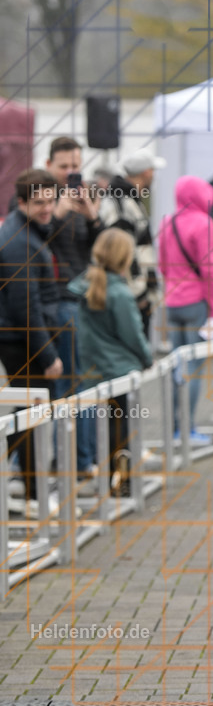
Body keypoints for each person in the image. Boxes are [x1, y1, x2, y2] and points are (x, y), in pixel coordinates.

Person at [67, 229, 153, 496]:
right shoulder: (121, 294)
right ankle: (123, 482)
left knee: (102, 429)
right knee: (122, 431)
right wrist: (147, 358)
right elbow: (132, 334)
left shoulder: (86, 286)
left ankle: (105, 481)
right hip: (120, 370)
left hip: (94, 368)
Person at [0, 170, 63, 511]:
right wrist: (49, 354)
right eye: (39, 202)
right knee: (32, 415)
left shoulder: (27, 233)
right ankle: (33, 496)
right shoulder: (20, 241)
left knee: (28, 415)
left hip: (20, 338)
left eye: (51, 201)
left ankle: (30, 491)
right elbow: (27, 306)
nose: (47, 209)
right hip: (21, 341)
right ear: (22, 201)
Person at [45, 136, 102, 481]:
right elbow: (28, 243)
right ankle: (65, 463)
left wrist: (91, 216)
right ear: (50, 165)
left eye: (75, 167)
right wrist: (58, 212)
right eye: (64, 166)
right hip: (53, 301)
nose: (70, 173)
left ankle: (81, 461)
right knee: (63, 385)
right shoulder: (39, 199)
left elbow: (102, 251)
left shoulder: (86, 197)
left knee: (82, 383)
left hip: (83, 300)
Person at [157, 176, 213, 444]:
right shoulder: (203, 223)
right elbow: (210, 271)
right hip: (196, 304)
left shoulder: (167, 222)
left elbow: (163, 266)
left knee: (176, 369)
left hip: (172, 304)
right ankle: (188, 430)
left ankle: (174, 429)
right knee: (193, 370)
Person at [98, 148, 163, 337]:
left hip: (133, 294)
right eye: (153, 171)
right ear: (146, 172)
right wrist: (139, 293)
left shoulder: (129, 200)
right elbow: (123, 253)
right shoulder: (122, 203)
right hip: (131, 296)